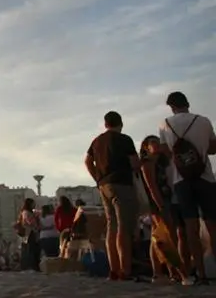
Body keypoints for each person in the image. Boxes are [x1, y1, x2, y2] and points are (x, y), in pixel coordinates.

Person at [158, 91, 216, 285]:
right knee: (212, 224)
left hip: (181, 179)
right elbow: (214, 148)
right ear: (188, 103)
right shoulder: (204, 121)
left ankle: (201, 274)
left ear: (171, 107)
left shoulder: (165, 124)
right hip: (205, 176)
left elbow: (166, 152)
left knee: (190, 227)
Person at [85, 110, 140, 280]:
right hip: (121, 183)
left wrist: (98, 178)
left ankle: (114, 269)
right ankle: (126, 270)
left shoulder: (97, 141)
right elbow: (135, 163)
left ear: (105, 124)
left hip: (104, 185)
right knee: (124, 227)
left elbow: (87, 161)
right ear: (120, 124)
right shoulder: (124, 139)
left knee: (111, 226)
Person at [139, 135, 193, 284]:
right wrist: (161, 206)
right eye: (153, 143)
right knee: (167, 239)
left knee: (157, 238)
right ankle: (177, 273)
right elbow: (152, 187)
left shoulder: (161, 163)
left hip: (166, 200)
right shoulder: (147, 164)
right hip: (158, 203)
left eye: (158, 142)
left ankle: (160, 273)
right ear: (146, 147)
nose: (157, 145)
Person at [17, 198, 40, 271]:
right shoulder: (26, 212)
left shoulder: (27, 212)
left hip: (30, 233)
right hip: (30, 233)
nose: (34, 205)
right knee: (32, 250)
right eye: (33, 203)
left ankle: (33, 266)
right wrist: (36, 219)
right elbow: (31, 223)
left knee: (32, 250)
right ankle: (31, 266)